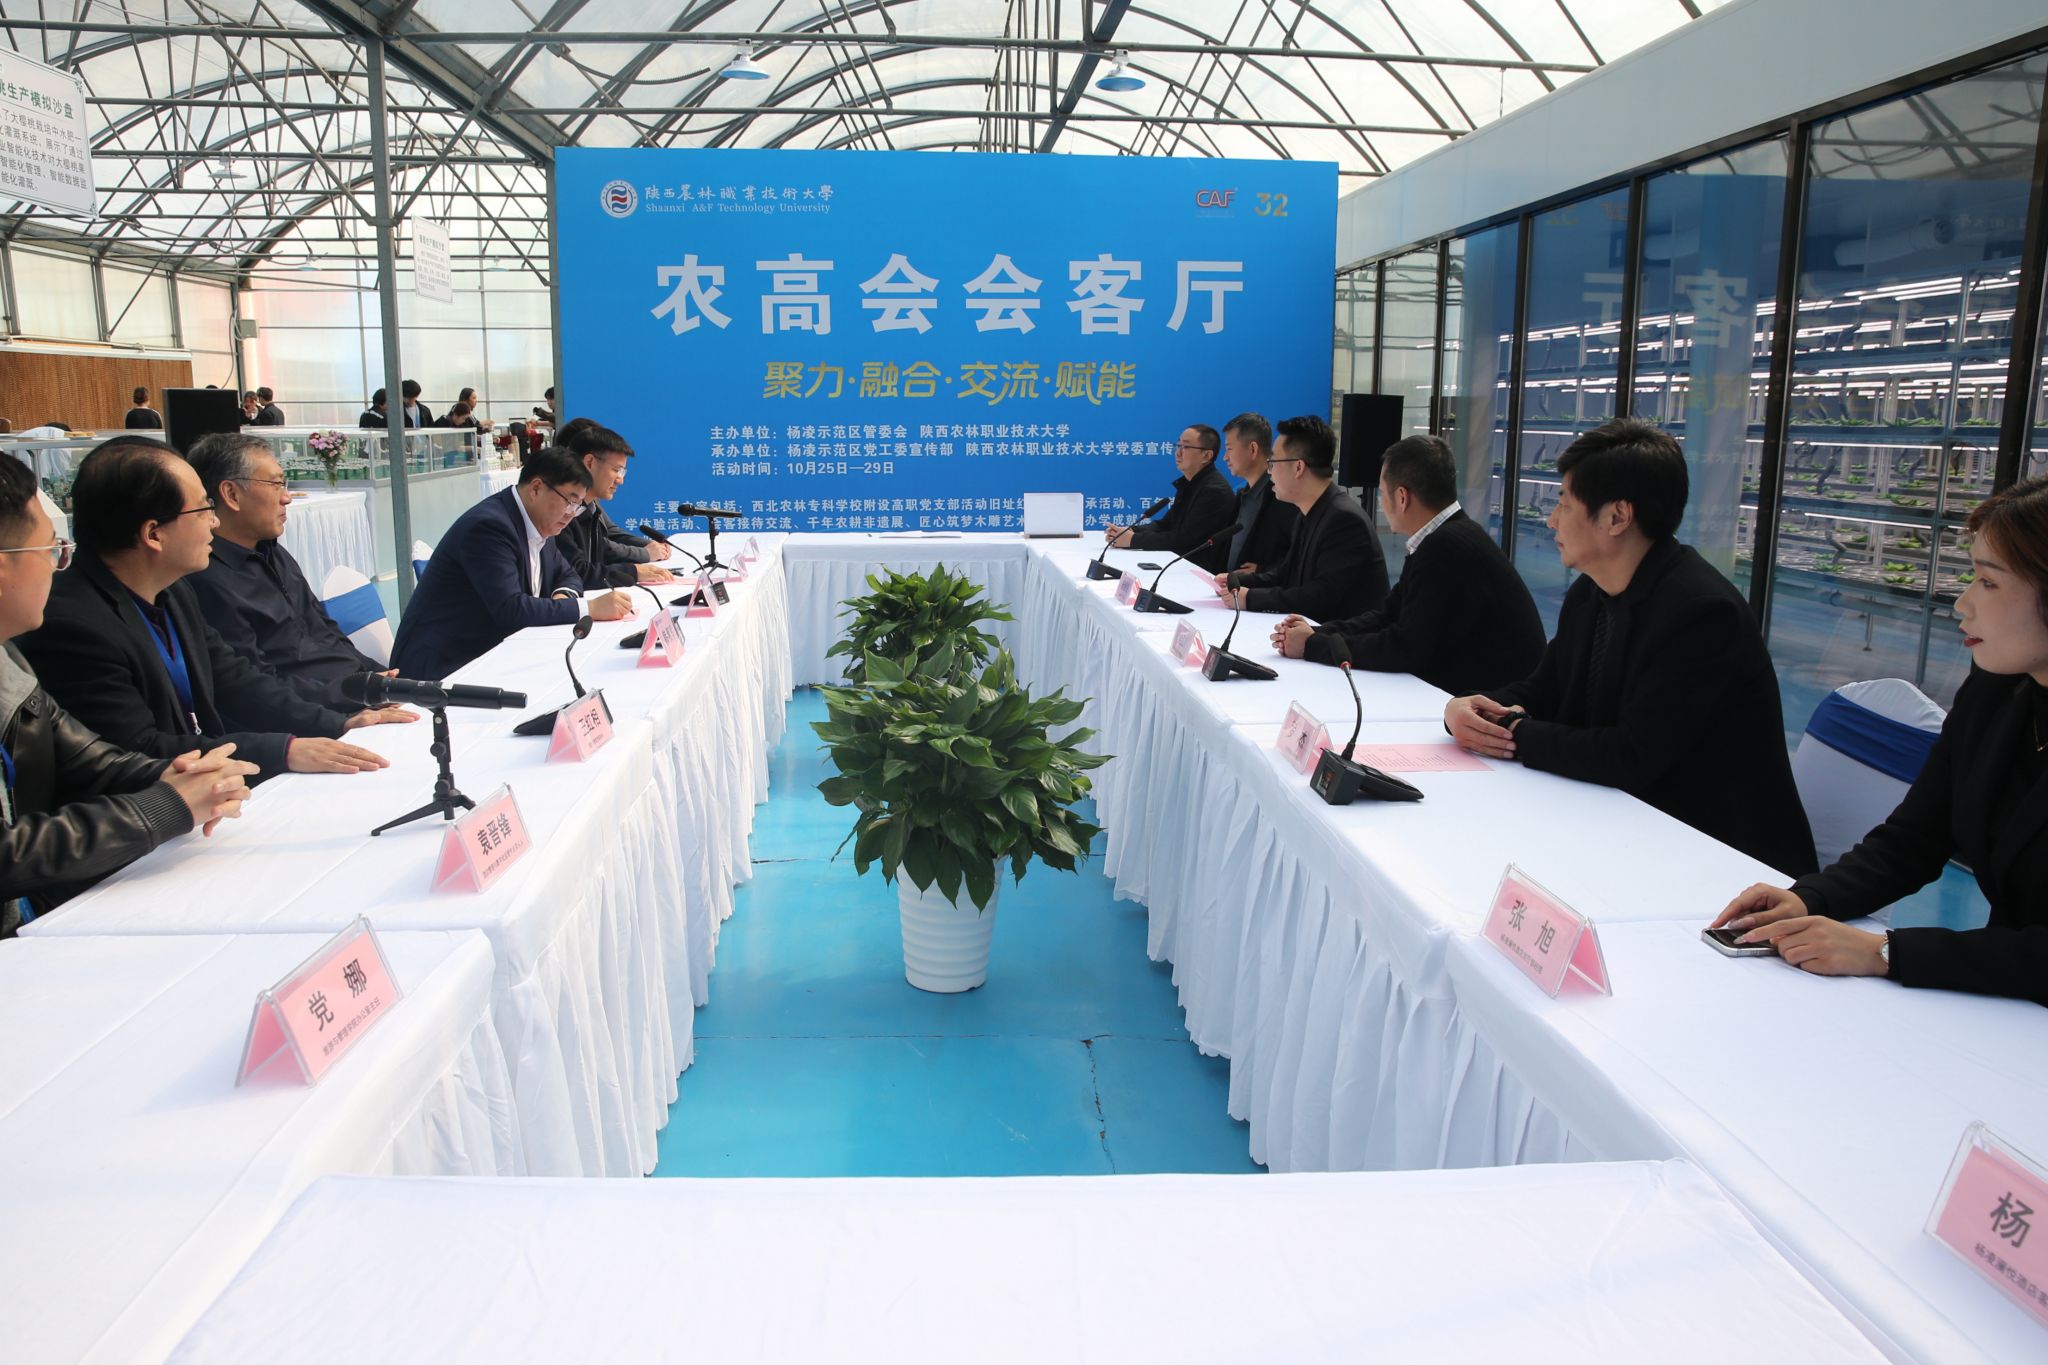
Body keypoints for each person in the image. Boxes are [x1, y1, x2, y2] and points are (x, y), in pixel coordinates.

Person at [1712, 475, 2048, 1005]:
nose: (1962, 604)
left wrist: (1887, 952)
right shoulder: (1998, 693)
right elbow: (1915, 837)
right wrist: (1811, 897)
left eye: (1988, 583)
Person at [1445, 418, 1815, 875]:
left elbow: (1630, 756)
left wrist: (1511, 733)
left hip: (1720, 862)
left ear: (1617, 516)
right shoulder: (1592, 592)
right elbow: (1543, 689)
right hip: (1624, 827)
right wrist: (1470, 709)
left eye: (1564, 503)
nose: (1552, 519)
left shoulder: (1702, 613)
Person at [16, 436, 391, 782]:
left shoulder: (174, 592)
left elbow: (236, 680)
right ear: (153, 534)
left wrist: (337, 724)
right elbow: (138, 748)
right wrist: (284, 750)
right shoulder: (74, 625)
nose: (214, 521)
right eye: (203, 509)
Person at [0, 454, 257, 933]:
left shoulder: (7, 658)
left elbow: (88, 755)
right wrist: (167, 805)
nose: (56, 567)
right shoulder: (70, 621)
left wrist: (183, 774)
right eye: (50, 551)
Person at [1271, 434, 1545, 696]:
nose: (1381, 501)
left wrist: (1313, 645)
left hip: (1491, 702)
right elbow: (1389, 614)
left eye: (1382, 493)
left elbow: (1405, 647)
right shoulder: (1446, 536)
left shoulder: (1445, 547)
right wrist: (1317, 632)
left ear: (1402, 497)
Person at [183, 432, 412, 719]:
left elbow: (326, 630)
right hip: (319, 718)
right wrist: (354, 701)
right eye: (276, 484)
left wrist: (376, 677)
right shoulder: (207, 580)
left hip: (357, 698)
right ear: (231, 494)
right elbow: (257, 689)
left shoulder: (273, 552)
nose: (287, 498)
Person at [389, 446, 634, 680]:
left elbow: (568, 574)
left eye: (577, 506)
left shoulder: (540, 520)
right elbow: (511, 610)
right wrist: (588, 608)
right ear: (536, 488)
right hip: (441, 668)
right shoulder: (489, 527)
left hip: (492, 655)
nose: (572, 513)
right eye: (569, 501)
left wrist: (563, 598)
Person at [1213, 414, 1388, 621]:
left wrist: (1250, 598)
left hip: (1341, 636)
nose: (1270, 472)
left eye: (1273, 462)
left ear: (1298, 467)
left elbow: (1320, 595)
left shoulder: (1345, 520)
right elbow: (1287, 573)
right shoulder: (1310, 511)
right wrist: (1239, 582)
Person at [553, 425, 675, 591]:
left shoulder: (591, 507)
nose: (620, 480)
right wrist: (633, 571)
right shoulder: (562, 509)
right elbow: (577, 572)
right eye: (616, 470)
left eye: (623, 472)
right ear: (589, 462)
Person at [1102, 424, 1236, 556]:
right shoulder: (1191, 483)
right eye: (1178, 445)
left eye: (1186, 447)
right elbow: (1166, 524)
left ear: (1206, 456)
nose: (1178, 452)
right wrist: (1131, 531)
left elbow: (1184, 541)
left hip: (1198, 567)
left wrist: (1133, 540)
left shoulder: (1214, 491)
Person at [1192, 411, 1298, 576]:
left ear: (1253, 449)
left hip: (1259, 590)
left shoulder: (1283, 497)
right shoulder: (1243, 495)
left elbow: (1298, 556)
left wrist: (1263, 571)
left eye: (1229, 449)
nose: (1225, 457)